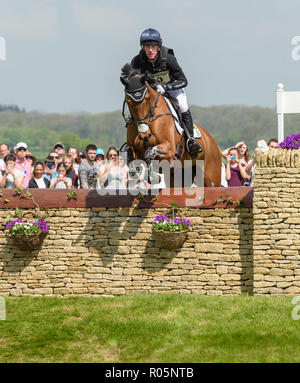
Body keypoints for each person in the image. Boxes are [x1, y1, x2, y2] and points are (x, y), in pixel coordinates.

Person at [130, 28, 202, 157]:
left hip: (172, 89)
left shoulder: (168, 58)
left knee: (183, 105)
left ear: (158, 46)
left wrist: (167, 87)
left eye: (153, 46)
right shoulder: (137, 61)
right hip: (151, 94)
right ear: (143, 47)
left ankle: (191, 139)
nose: (150, 50)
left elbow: (183, 80)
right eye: (147, 47)